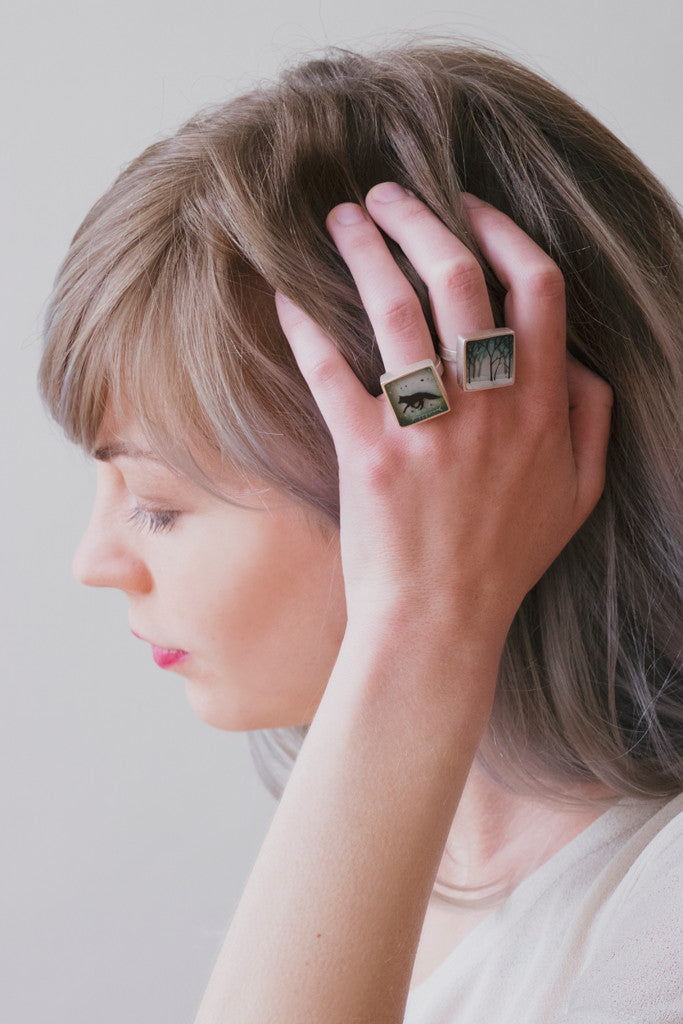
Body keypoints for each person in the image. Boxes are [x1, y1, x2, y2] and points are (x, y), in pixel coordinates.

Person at [38, 39, 682, 1024]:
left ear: (464, 470)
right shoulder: (386, 870)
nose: (96, 561)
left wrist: (422, 617)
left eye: (159, 506)